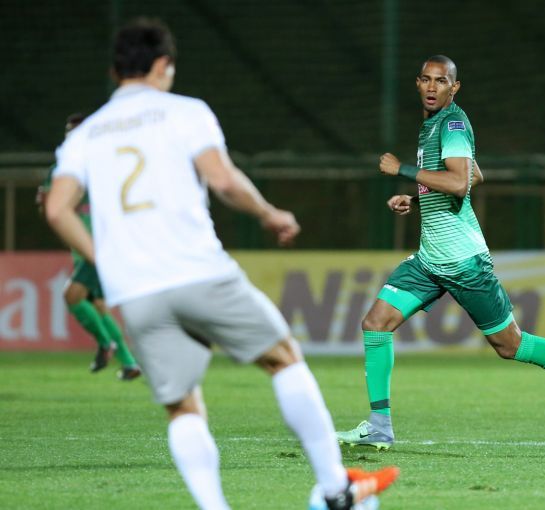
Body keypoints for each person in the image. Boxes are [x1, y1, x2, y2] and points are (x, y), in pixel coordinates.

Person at [45, 18, 397, 510]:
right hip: (198, 270)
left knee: (182, 405)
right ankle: (336, 489)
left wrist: (105, 258)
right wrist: (269, 213)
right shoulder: (185, 112)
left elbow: (57, 209)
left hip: (138, 290)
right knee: (282, 357)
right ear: (164, 65)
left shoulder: (85, 134)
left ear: (114, 71)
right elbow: (224, 180)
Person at [336, 55, 545, 450]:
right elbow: (474, 175)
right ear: (417, 83)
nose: (432, 86)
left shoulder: (452, 123)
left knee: (510, 345)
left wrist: (402, 170)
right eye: (426, 79)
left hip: (464, 263)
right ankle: (379, 424)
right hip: (430, 261)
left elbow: (458, 184)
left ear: (454, 88)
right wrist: (415, 199)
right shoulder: (433, 125)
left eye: (441, 81)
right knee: (376, 323)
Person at [37, 113, 141, 381]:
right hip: (84, 245)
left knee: (72, 296)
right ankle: (128, 363)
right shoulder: (62, 169)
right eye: (69, 133)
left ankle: (107, 344)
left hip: (98, 244)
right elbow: (52, 208)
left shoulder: (103, 165)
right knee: (98, 304)